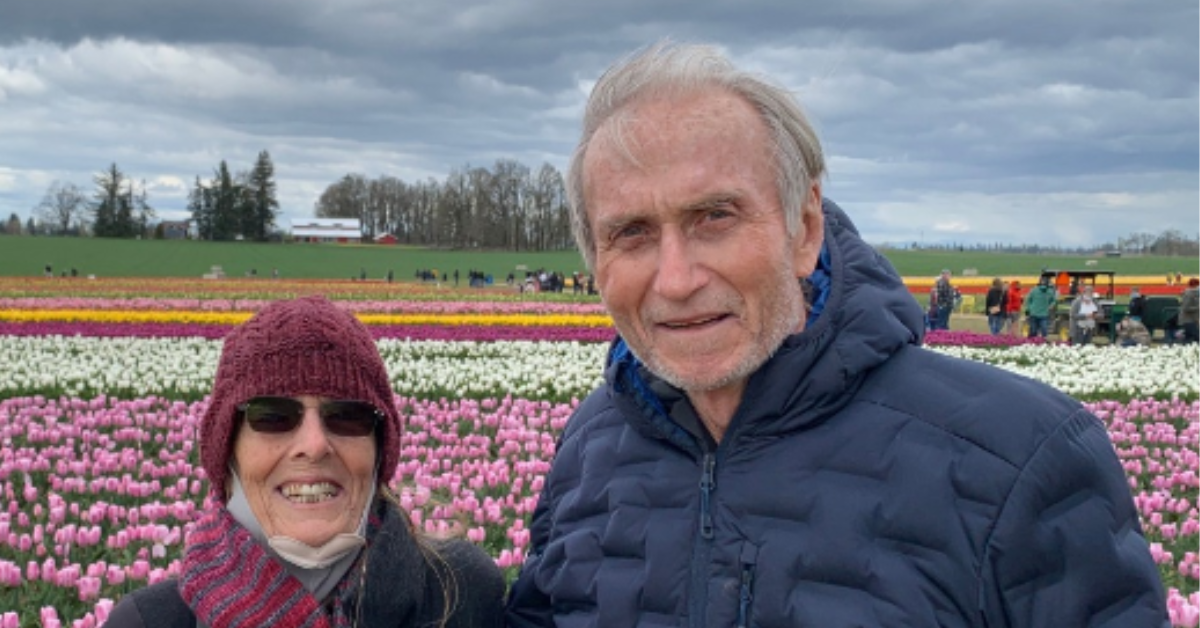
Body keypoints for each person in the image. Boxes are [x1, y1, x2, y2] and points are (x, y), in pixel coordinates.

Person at [505, 41, 1166, 626]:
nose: (675, 279)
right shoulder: (592, 445)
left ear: (805, 226)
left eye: (714, 217)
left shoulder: (1020, 456)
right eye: (632, 233)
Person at [107, 296, 504, 628]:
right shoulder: (149, 622)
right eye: (273, 416)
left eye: (347, 415)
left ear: (380, 449)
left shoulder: (463, 594)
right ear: (227, 450)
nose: (314, 445)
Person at [1180, 277, 1200, 344]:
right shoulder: (1189, 294)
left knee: (1188, 340)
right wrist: (1198, 308)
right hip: (1188, 320)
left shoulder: (1195, 294)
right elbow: (1186, 308)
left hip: (1193, 320)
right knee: (1197, 338)